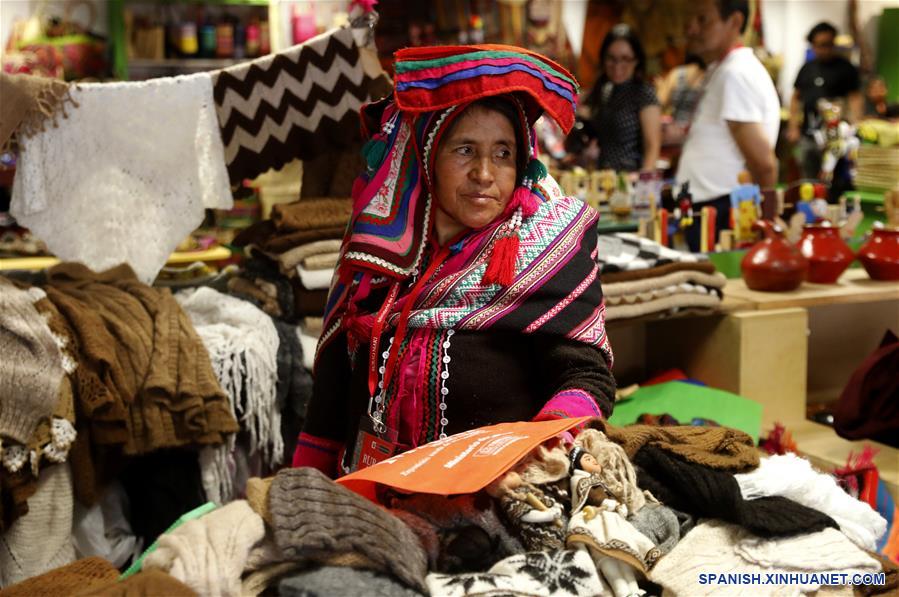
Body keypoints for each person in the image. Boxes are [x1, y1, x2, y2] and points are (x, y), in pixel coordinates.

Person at [292, 45, 616, 478]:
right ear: (427, 160)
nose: (485, 173)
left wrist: (541, 454)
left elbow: (585, 378)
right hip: (368, 495)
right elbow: (332, 394)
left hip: (495, 499)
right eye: (465, 150)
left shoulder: (548, 246)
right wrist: (303, 483)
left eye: (503, 153)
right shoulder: (378, 255)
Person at [675, 0, 780, 252]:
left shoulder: (736, 74)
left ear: (734, 22)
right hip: (709, 208)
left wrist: (764, 222)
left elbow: (764, 163)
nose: (692, 29)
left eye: (703, 20)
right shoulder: (723, 69)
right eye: (692, 20)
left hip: (722, 212)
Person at [787, 22, 863, 179]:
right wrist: (793, 126)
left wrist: (855, 124)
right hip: (808, 135)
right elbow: (795, 98)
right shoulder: (807, 68)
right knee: (808, 178)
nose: (825, 49)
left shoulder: (846, 68)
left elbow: (855, 98)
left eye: (829, 44)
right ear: (813, 45)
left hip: (835, 137)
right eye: (821, 45)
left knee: (832, 176)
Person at [582, 24, 661, 172]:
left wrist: (643, 181)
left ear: (636, 61)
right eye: (611, 58)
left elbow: (653, 146)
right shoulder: (605, 90)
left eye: (625, 59)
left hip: (630, 180)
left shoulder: (644, 93)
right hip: (601, 178)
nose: (617, 66)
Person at [656, 54, 706, 146]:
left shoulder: (677, 74)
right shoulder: (715, 74)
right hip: (702, 138)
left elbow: (657, 106)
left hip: (676, 137)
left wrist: (661, 87)